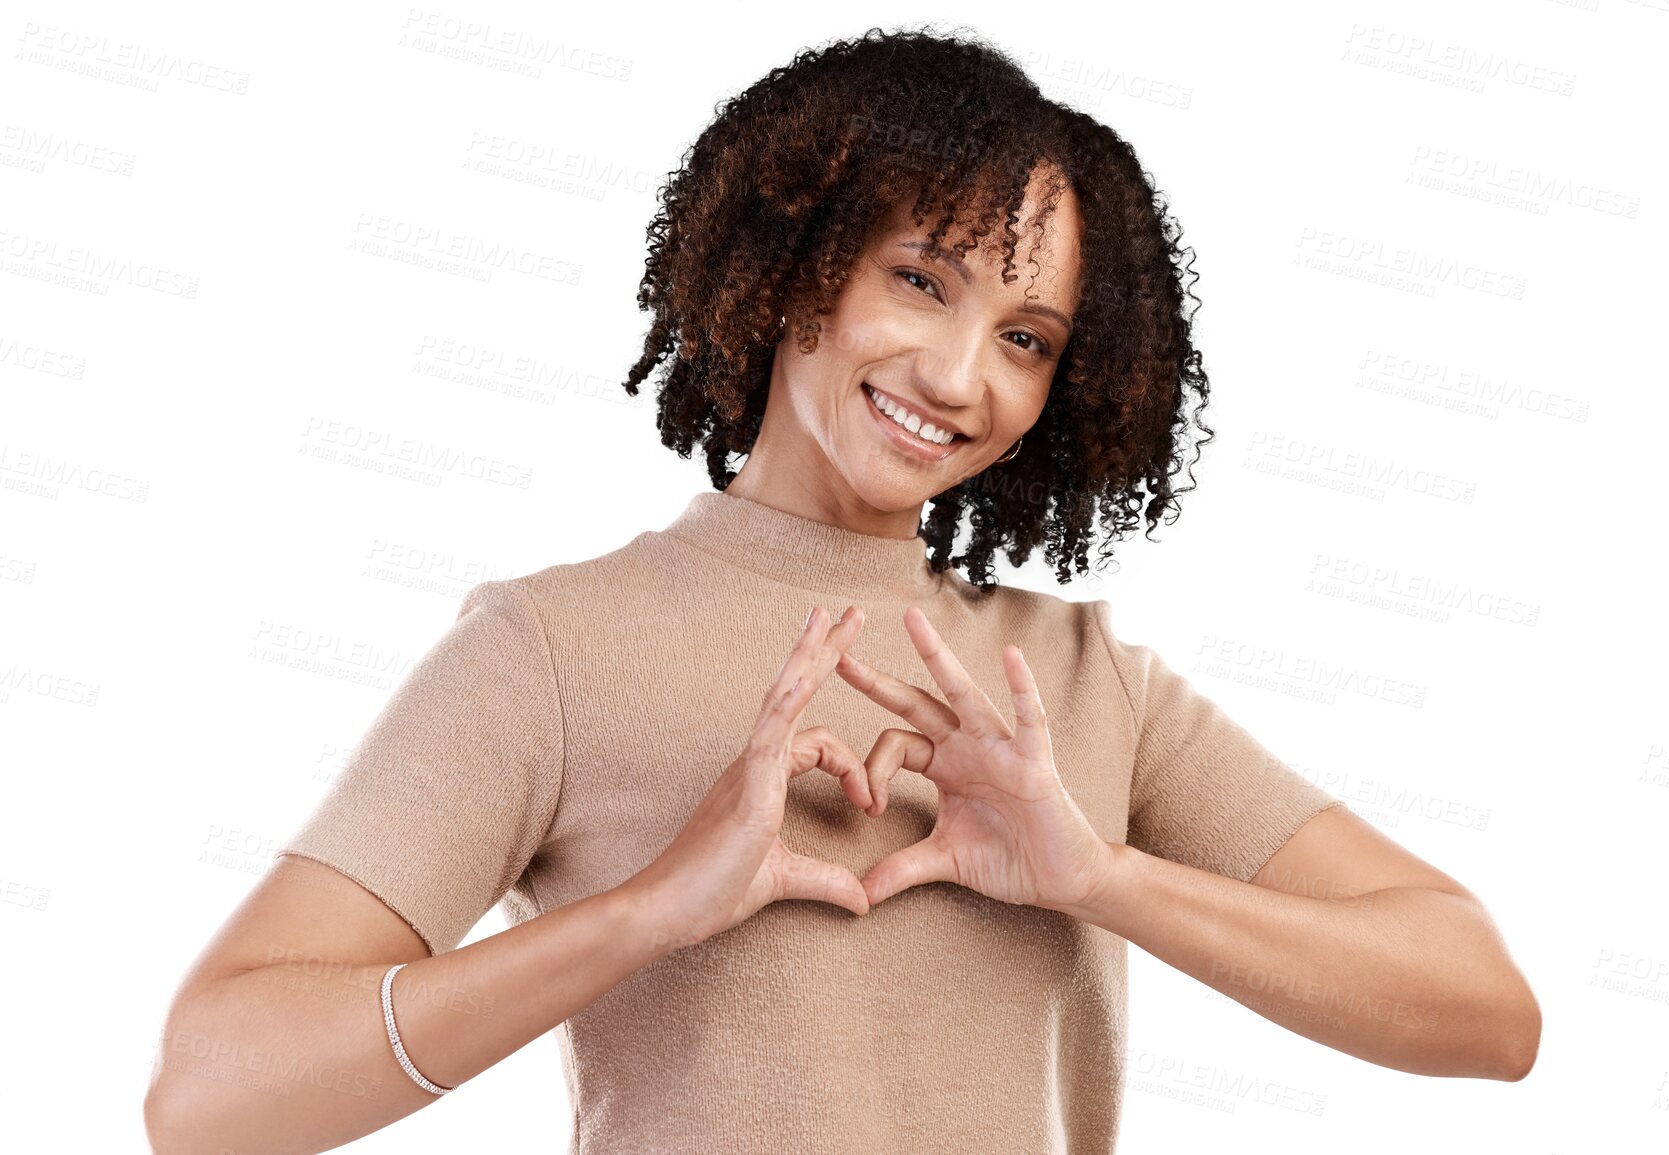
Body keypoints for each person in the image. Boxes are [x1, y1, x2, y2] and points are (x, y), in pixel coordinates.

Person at [143, 26, 1540, 1155]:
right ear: (795, 255)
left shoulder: (1070, 681)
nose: (960, 376)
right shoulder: (551, 650)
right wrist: (643, 913)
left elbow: (1485, 1009)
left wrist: (1099, 876)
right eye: (920, 280)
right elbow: (207, 1098)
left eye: (1028, 337)